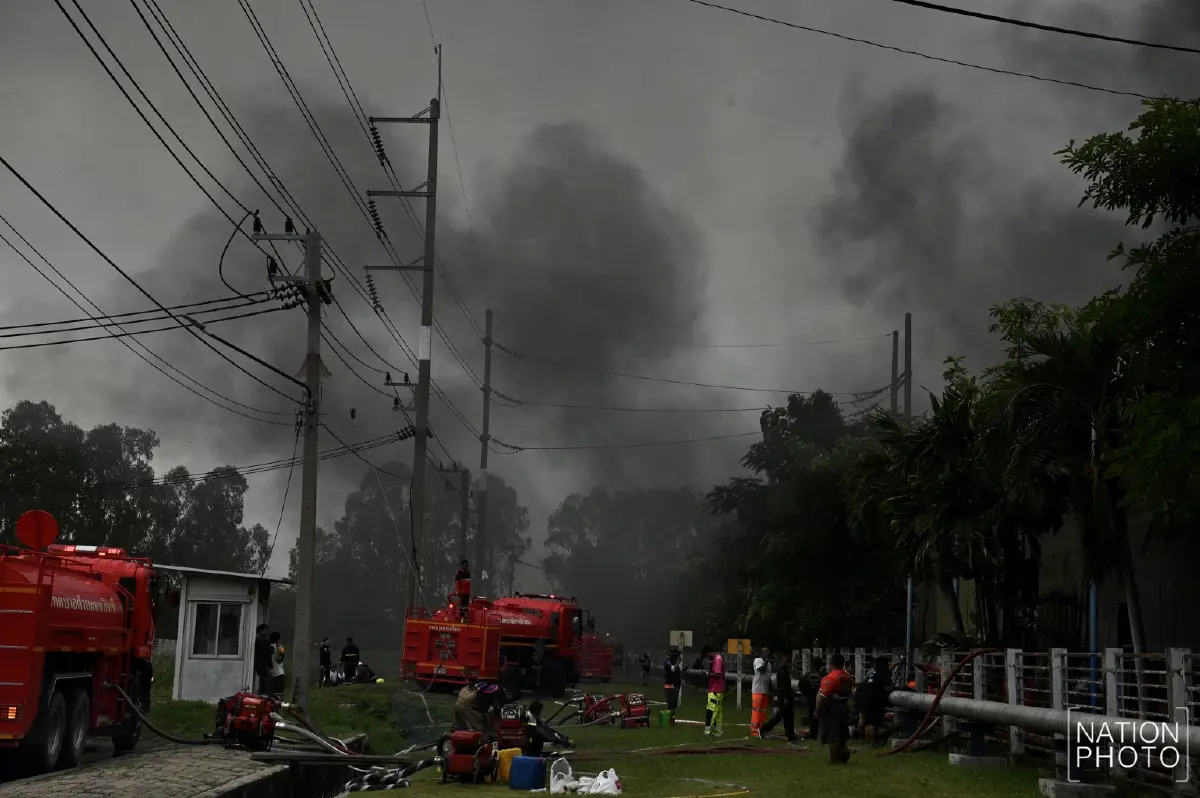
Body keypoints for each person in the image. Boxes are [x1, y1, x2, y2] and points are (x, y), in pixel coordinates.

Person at [815, 652, 854, 764]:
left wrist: (817, 711)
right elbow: (852, 694)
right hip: (844, 708)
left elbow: (822, 696)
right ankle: (842, 756)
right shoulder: (848, 677)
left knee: (833, 737)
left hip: (831, 710)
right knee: (841, 735)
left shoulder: (830, 677)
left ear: (831, 664)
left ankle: (834, 759)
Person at [758, 651, 798, 743]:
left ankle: (790, 735)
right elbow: (783, 685)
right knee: (782, 716)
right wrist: (785, 698)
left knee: (786, 716)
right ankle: (764, 729)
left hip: (784, 696)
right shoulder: (783, 668)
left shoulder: (782, 667)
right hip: (784, 696)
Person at [856, 656, 894, 747]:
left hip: (864, 697)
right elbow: (887, 687)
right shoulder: (883, 674)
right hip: (874, 701)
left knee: (866, 721)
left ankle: (866, 741)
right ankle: (872, 743)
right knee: (873, 723)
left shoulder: (872, 673)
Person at [750, 646, 772, 738]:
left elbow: (769, 677)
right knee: (756, 710)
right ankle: (754, 731)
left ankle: (761, 729)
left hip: (765, 690)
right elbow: (762, 670)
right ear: (761, 653)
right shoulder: (758, 660)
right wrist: (766, 660)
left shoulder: (769, 664)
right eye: (765, 652)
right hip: (757, 689)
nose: (767, 653)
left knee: (763, 711)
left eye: (768, 652)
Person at [703, 645, 725, 737]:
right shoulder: (718, 658)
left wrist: (708, 674)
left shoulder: (717, 659)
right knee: (718, 712)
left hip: (715, 689)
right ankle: (718, 731)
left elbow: (717, 674)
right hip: (718, 689)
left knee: (711, 710)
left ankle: (707, 731)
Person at [663, 646, 684, 715]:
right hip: (670, 685)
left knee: (674, 704)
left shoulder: (674, 662)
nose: (679, 657)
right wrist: (678, 662)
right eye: (678, 655)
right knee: (671, 704)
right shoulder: (668, 661)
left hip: (676, 685)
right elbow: (673, 669)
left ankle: (671, 717)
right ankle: (668, 717)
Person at [253, 624, 273, 695]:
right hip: (262, 666)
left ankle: (262, 694)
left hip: (266, 666)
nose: (267, 632)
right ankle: (262, 694)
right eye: (266, 630)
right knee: (264, 683)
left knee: (265, 683)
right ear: (260, 631)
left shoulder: (266, 641)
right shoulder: (258, 641)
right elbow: (266, 652)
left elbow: (270, 651)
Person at [269, 631, 286, 696]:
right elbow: (283, 655)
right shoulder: (279, 647)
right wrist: (281, 659)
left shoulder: (268, 647)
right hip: (279, 674)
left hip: (271, 674)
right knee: (279, 694)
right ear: (278, 640)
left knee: (272, 694)